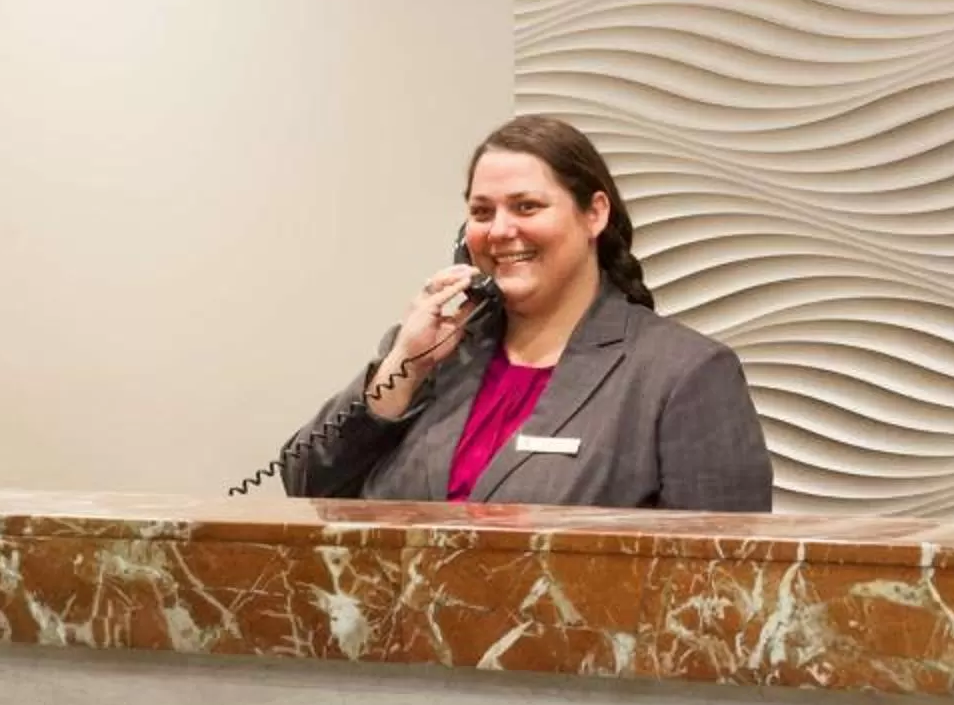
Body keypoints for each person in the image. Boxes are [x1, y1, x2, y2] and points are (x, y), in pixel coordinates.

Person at [279, 115, 774, 511]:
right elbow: (303, 483)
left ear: (594, 215)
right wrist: (403, 368)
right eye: (481, 212)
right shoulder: (430, 353)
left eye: (527, 206)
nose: (499, 230)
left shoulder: (683, 374)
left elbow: (723, 588)